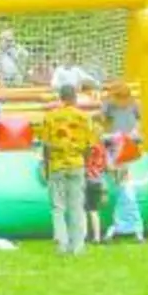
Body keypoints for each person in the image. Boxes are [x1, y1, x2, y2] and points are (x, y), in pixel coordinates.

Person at [42, 84, 96, 254]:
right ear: (75, 97)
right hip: (76, 164)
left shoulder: (50, 117)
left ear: (60, 97)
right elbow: (89, 146)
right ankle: (78, 246)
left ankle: (61, 243)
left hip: (57, 165)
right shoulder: (84, 118)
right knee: (76, 206)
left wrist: (46, 166)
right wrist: (84, 162)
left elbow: (46, 146)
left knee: (58, 207)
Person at [103, 164, 146, 244]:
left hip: (121, 209)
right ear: (126, 175)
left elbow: (113, 183)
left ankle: (108, 236)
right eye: (130, 173)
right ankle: (140, 238)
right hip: (131, 208)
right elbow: (142, 183)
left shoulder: (118, 184)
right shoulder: (130, 183)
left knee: (117, 224)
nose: (131, 175)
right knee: (137, 221)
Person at [84, 141, 109, 245]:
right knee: (93, 211)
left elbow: (85, 165)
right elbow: (106, 168)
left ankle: (85, 235)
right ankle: (96, 237)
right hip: (98, 182)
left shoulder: (88, 149)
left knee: (85, 210)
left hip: (88, 181)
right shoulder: (103, 151)